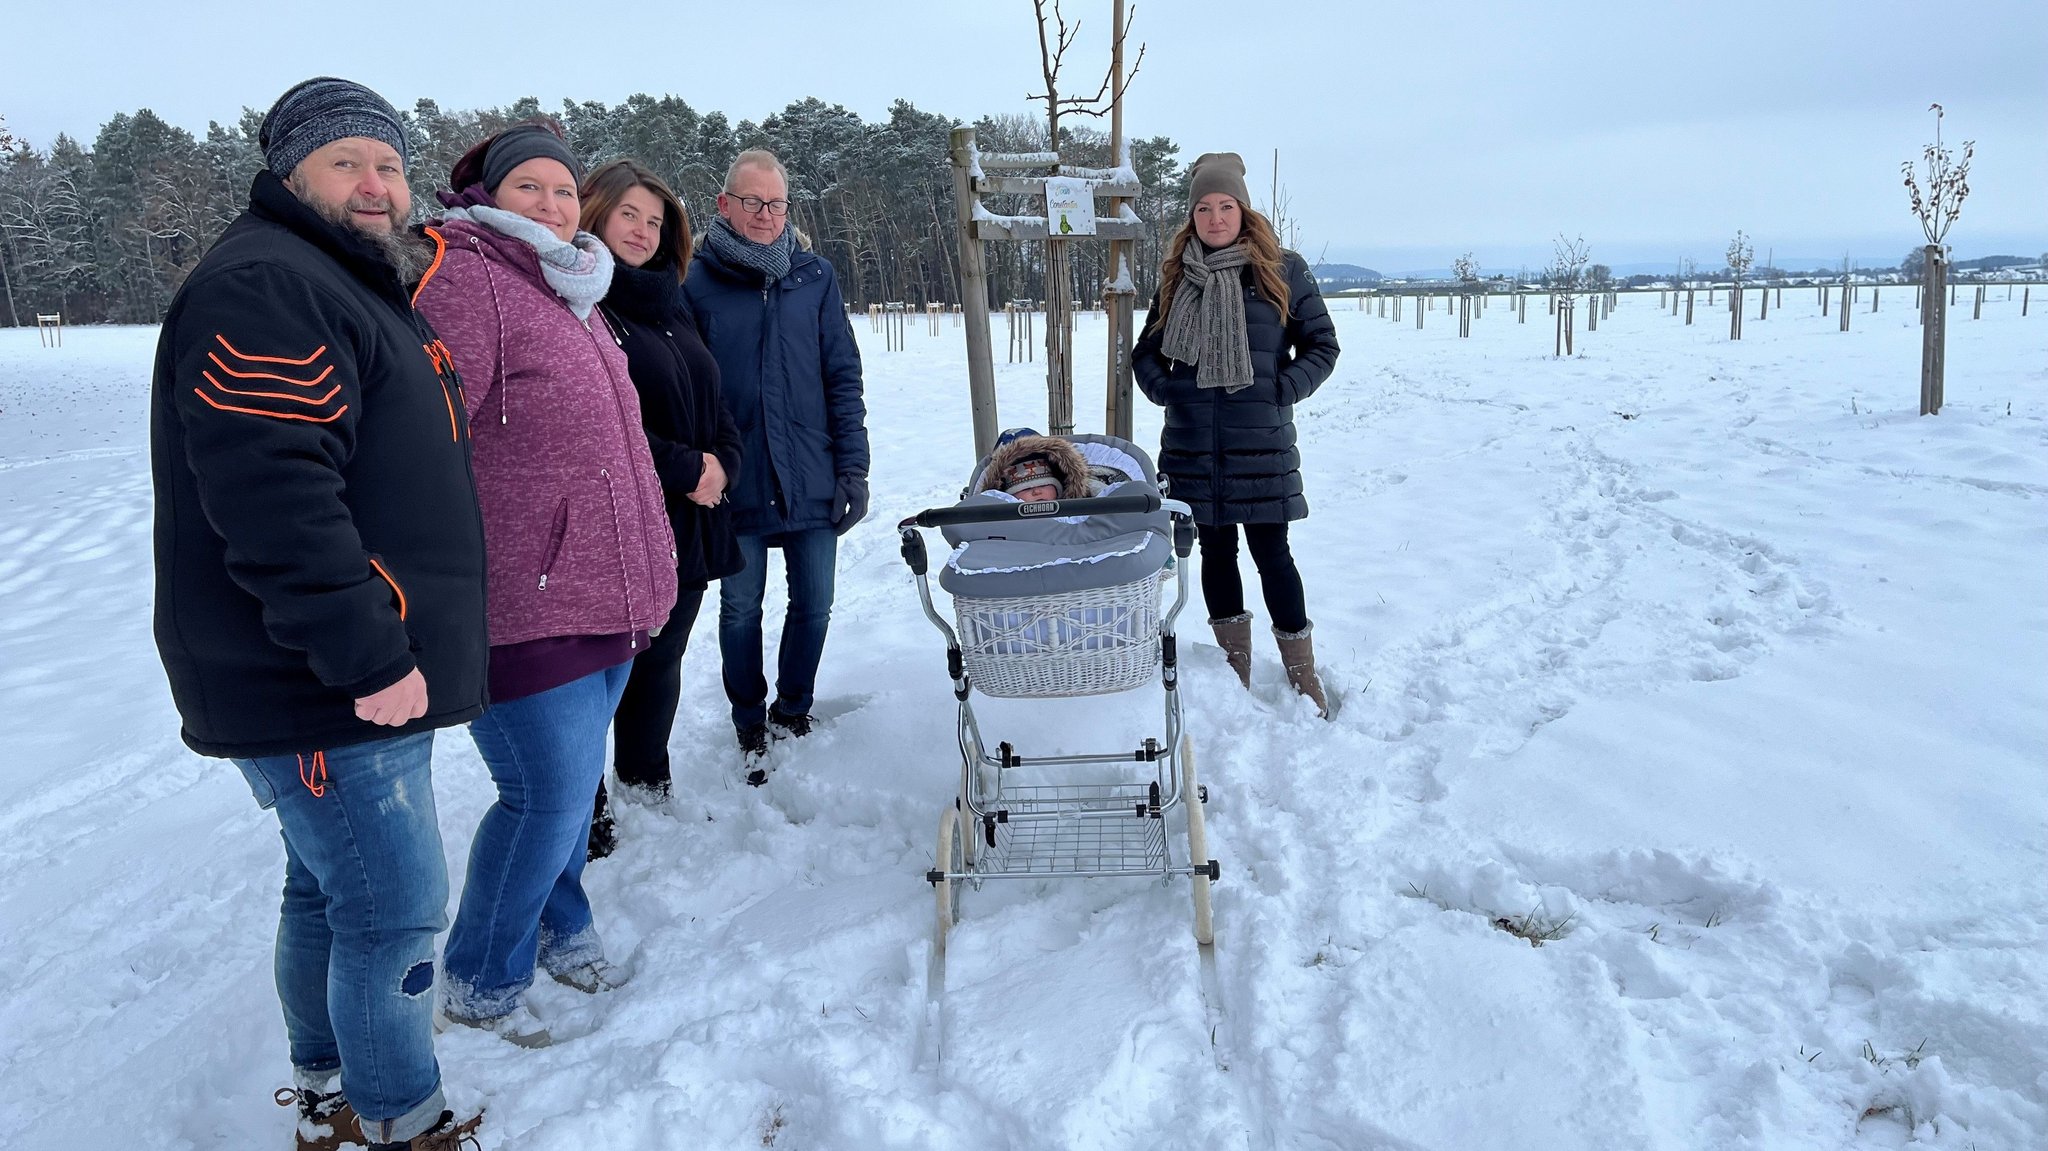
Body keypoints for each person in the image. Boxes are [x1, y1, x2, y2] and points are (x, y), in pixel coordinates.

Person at [150, 77, 485, 1151]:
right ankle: (399, 1118)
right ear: (292, 173)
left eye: (388, 164)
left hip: (344, 667)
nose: (376, 183)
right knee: (393, 907)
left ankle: (330, 1084)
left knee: (327, 883)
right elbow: (275, 499)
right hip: (326, 674)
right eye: (347, 163)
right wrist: (368, 651)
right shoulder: (267, 285)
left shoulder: (339, 278)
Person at [414, 121, 678, 1045]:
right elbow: (425, 442)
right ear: (490, 196)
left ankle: (561, 922)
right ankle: (482, 975)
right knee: (546, 794)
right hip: (522, 600)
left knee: (570, 788)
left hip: (604, 592)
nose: (556, 206)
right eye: (532, 187)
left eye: (565, 191)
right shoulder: (467, 278)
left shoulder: (571, 287)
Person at [1133, 151, 1340, 717]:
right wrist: (1168, 390)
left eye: (1225, 206)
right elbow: (1146, 352)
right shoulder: (1179, 275)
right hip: (1193, 446)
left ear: (1244, 211)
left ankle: (1304, 677)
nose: (1215, 218)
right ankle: (1235, 677)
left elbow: (1323, 345)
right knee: (1217, 555)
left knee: (1273, 556)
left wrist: (1281, 389)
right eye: (1203, 207)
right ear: (1192, 216)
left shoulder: (1283, 269)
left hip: (1261, 445)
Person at [576, 159, 743, 857]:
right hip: (625, 518)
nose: (643, 231)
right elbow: (594, 420)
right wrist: (686, 467)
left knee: (663, 655)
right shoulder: (579, 302)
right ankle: (584, 808)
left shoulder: (670, 301)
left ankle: (647, 777)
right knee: (601, 671)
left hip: (692, 517)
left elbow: (714, 398)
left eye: (655, 220)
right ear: (596, 216)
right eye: (629, 216)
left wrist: (724, 461)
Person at [683, 149, 869, 772]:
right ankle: (747, 716)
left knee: (814, 602)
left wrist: (854, 468)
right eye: (753, 202)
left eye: (777, 203)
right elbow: (686, 388)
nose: (766, 215)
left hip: (812, 475)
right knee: (740, 607)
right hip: (739, 480)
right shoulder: (697, 280)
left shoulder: (813, 276)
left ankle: (794, 705)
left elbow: (841, 374)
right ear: (725, 205)